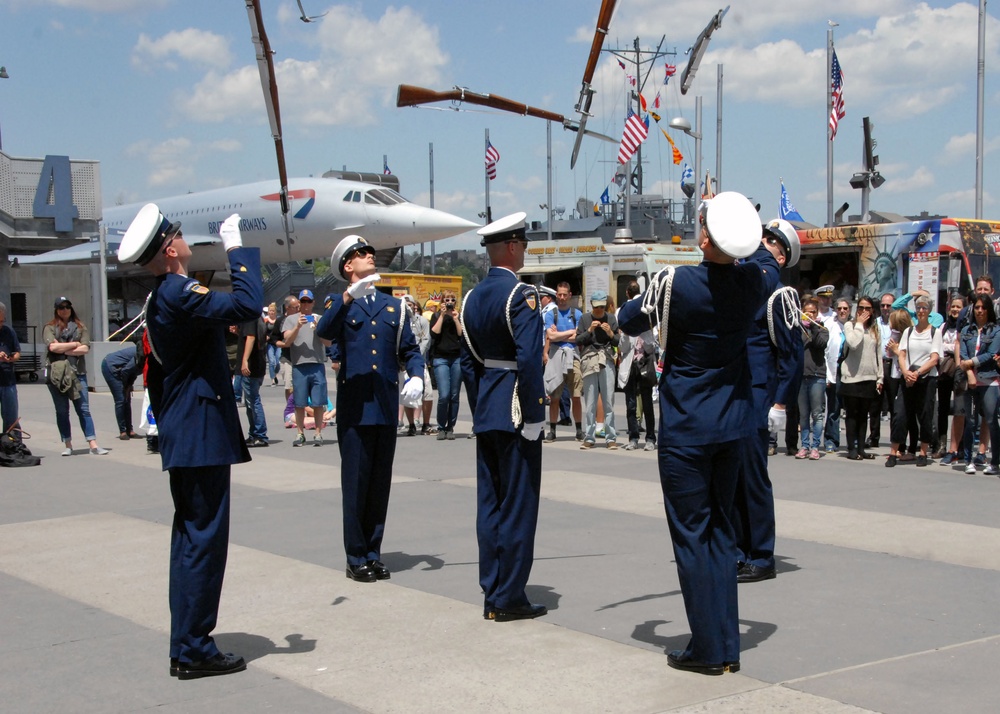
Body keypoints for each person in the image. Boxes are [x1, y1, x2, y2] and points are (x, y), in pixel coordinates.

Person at [618, 192, 779, 675]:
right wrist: (737, 227)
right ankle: (726, 645)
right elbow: (769, 261)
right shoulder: (753, 280)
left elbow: (628, 320)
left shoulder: (677, 281)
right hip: (731, 424)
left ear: (705, 236)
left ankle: (707, 649)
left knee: (693, 537)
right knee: (723, 534)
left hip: (688, 427)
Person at [118, 204, 262, 679]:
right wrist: (237, 250)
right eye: (177, 235)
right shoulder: (180, 291)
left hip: (187, 430)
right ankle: (195, 648)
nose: (183, 240)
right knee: (203, 541)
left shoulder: (162, 295)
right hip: (201, 433)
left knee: (189, 541)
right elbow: (245, 307)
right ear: (170, 248)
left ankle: (186, 644)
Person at [317, 235, 424, 583]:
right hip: (355, 408)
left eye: (370, 253)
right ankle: (355, 555)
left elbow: (408, 349)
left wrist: (417, 376)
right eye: (362, 254)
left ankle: (373, 552)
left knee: (379, 484)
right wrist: (349, 296)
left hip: (384, 406)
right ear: (348, 266)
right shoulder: (340, 303)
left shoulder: (393, 306)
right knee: (356, 484)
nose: (370, 257)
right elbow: (324, 332)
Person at [460, 212, 547, 622]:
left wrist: (483, 403)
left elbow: (468, 360)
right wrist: (533, 413)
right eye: (523, 245)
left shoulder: (472, 297)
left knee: (490, 504)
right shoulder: (521, 295)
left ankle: (492, 586)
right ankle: (509, 595)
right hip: (515, 407)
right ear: (512, 247)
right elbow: (529, 360)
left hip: (488, 407)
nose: (525, 250)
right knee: (517, 504)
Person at [734, 218, 802, 585]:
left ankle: (761, 555)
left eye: (767, 243)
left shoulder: (777, 292)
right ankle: (739, 550)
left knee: (754, 478)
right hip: (738, 393)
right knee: (736, 476)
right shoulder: (748, 279)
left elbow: (791, 356)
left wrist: (781, 404)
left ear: (779, 251)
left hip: (760, 395)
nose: (760, 245)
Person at [43, 297, 110, 456]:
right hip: (57, 375)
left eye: (67, 307)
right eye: (61, 307)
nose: (64, 310)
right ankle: (68, 444)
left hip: (77, 373)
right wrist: (74, 345)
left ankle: (93, 444)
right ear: (56, 310)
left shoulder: (80, 327)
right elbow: (52, 346)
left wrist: (63, 349)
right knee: (62, 410)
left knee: (84, 409)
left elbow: (85, 349)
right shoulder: (50, 327)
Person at [888, 295, 941, 467]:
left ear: (929, 310)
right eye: (918, 308)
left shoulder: (935, 332)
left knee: (925, 415)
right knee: (900, 414)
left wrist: (917, 373)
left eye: (924, 308)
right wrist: (905, 372)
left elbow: (934, 359)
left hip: (926, 379)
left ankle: (923, 452)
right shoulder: (908, 332)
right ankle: (893, 452)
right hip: (909, 378)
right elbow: (901, 354)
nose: (921, 311)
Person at [958, 294, 1000, 475]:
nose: (980, 311)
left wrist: (970, 363)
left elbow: (991, 354)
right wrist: (969, 372)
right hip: (971, 381)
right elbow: (962, 354)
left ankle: (995, 462)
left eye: (983, 308)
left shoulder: (996, 331)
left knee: (991, 420)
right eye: (977, 307)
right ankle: (968, 460)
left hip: (989, 380)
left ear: (989, 310)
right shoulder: (967, 330)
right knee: (971, 421)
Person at [283, 289, 330, 446]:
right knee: (300, 402)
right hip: (299, 365)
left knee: (318, 401)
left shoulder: (319, 319)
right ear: (299, 304)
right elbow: (287, 341)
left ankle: (318, 433)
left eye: (308, 301)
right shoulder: (291, 319)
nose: (305, 305)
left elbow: (328, 342)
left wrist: (319, 329)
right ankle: (300, 433)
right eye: (302, 301)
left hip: (317, 364)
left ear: (313, 303)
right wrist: (297, 326)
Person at [839, 295, 884, 460]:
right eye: (861, 308)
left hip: (869, 377)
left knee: (864, 414)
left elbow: (878, 353)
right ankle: (851, 448)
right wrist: (859, 323)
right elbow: (853, 343)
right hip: (851, 377)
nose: (864, 312)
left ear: (872, 311)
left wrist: (880, 378)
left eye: (867, 309)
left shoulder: (874, 328)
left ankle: (861, 448)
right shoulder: (850, 325)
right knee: (852, 414)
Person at [576, 289, 619, 449]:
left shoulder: (612, 318)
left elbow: (617, 342)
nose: (599, 310)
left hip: (606, 359)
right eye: (596, 307)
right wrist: (589, 330)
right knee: (590, 401)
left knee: (608, 400)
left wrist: (610, 333)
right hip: (590, 359)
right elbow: (578, 339)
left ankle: (611, 438)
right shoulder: (585, 318)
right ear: (592, 305)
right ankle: (589, 437)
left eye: (602, 307)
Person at [617, 281, 656, 451]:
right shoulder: (624, 318)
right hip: (630, 365)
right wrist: (626, 333)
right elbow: (623, 348)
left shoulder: (648, 320)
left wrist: (645, 332)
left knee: (647, 403)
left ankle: (650, 438)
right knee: (631, 403)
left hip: (644, 365)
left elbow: (651, 347)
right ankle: (633, 437)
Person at [543, 282, 584, 442]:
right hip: (555, 357)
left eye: (564, 294)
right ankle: (552, 431)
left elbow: (579, 337)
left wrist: (558, 334)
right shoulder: (550, 314)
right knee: (555, 396)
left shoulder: (577, 314)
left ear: (569, 295)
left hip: (573, 356)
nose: (561, 298)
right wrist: (569, 332)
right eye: (559, 295)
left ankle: (579, 430)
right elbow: (550, 337)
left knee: (576, 395)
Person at [796, 297, 829, 460]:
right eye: (807, 312)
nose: (810, 314)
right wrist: (802, 324)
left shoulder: (822, 329)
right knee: (803, 415)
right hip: (802, 376)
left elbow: (820, 344)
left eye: (813, 312)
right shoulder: (798, 329)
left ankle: (815, 446)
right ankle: (804, 446)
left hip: (817, 376)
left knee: (817, 414)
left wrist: (814, 326)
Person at [430, 289, 464, 439]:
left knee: (454, 395)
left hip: (456, 357)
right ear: (442, 302)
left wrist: (456, 318)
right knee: (444, 394)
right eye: (446, 300)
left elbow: (460, 334)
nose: (449, 303)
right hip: (440, 358)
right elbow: (434, 333)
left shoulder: (458, 316)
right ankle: (441, 426)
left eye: (452, 300)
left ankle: (451, 426)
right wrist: (443, 315)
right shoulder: (436, 315)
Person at [934, 296, 964, 459]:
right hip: (945, 370)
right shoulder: (943, 327)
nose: (955, 310)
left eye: (959, 307)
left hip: (960, 369)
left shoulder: (966, 326)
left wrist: (951, 349)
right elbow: (938, 345)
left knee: (961, 409)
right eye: (953, 306)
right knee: (943, 408)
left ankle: (960, 445)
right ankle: (941, 444)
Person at [401, 295, 434, 436]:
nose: (410, 306)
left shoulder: (422, 321)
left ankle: (426, 424)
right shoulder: (400, 321)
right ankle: (411, 424)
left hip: (419, 361)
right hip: (404, 364)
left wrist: (415, 356)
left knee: (428, 393)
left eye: (411, 304)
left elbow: (426, 339)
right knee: (408, 393)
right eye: (406, 303)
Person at [823, 297, 850, 453]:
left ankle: (852, 441)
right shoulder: (830, 326)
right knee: (834, 408)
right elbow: (826, 352)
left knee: (851, 408)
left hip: (851, 373)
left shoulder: (854, 326)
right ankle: (831, 440)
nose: (842, 311)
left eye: (845, 308)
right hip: (835, 371)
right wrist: (827, 375)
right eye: (839, 308)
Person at [101, 339, 143, 440]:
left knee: (127, 400)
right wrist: (126, 386)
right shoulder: (141, 354)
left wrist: (129, 385)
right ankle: (123, 431)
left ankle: (130, 430)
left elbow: (133, 372)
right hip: (110, 367)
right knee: (121, 399)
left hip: (123, 371)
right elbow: (126, 371)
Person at [238, 312, 269, 447]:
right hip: (257, 364)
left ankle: (260, 434)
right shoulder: (257, 317)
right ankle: (254, 433)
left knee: (253, 400)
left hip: (252, 366)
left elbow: (251, 338)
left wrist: (244, 360)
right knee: (250, 401)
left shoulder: (249, 318)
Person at [0, 302, 21, 435]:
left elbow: (17, 352)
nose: (0, 324)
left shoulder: (8, 331)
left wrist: (13, 357)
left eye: (2, 320)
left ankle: (12, 447)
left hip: (8, 380)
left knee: (11, 418)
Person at [264, 302, 281, 386]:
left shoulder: (278, 320)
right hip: (270, 343)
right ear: (268, 312)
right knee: (271, 361)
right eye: (270, 311)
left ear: (275, 312)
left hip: (278, 342)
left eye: (273, 311)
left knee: (278, 361)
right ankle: (273, 379)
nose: (272, 312)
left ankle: (275, 373)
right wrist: (265, 336)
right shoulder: (266, 320)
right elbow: (262, 330)